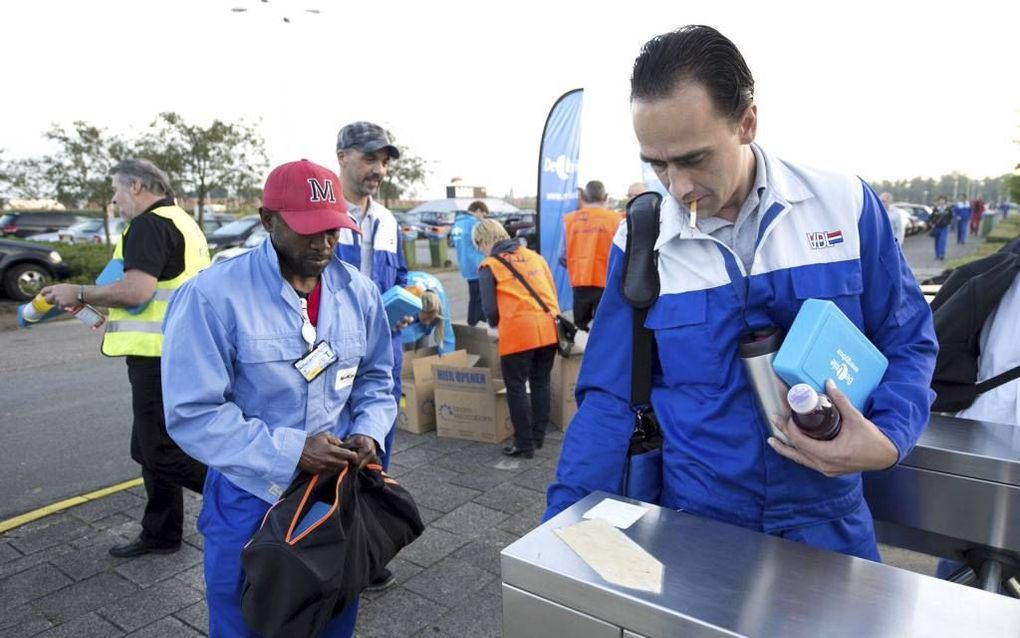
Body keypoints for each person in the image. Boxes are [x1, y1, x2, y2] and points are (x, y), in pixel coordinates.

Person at [545, 25, 937, 561]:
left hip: (828, 518)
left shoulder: (842, 206)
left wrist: (890, 435)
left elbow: (907, 337)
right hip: (698, 524)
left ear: (747, 122)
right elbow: (609, 397)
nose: (677, 186)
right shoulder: (641, 238)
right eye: (657, 164)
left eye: (694, 159)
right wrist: (563, 532)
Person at [162, 160, 396, 637]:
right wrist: (293, 450)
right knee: (248, 619)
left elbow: (377, 379)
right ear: (267, 219)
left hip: (332, 496)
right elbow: (193, 412)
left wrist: (369, 430)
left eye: (333, 228)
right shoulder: (212, 297)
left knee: (333, 608)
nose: (324, 243)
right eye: (308, 230)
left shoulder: (360, 293)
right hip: (252, 496)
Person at [41, 158, 209, 559]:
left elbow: (137, 292)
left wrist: (79, 292)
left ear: (136, 186)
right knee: (150, 447)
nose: (114, 200)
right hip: (178, 352)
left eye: (116, 190)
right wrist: (101, 303)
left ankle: (250, 498)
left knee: (158, 451)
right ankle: (161, 533)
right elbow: (149, 288)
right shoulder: (181, 220)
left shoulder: (148, 224)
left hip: (158, 357)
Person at [334, 121, 409, 593]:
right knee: (334, 453)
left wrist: (410, 301)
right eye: (369, 159)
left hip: (383, 356)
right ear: (342, 156)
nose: (378, 169)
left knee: (376, 452)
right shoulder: (320, 216)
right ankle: (331, 547)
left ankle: (367, 549)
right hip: (333, 357)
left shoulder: (388, 220)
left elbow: (399, 273)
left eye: (383, 161)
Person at [474, 219, 559, 459]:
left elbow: (490, 309)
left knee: (516, 387)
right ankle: (538, 436)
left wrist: (494, 325)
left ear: (483, 241)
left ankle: (524, 444)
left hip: (518, 333)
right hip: (548, 328)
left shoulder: (489, 265)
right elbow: (551, 290)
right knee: (541, 382)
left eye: (478, 245)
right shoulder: (534, 256)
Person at [562, 180, 623, 330]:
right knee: (606, 327)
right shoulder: (616, 219)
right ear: (606, 197)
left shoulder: (569, 220)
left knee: (581, 327)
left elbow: (564, 254)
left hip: (579, 280)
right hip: (607, 280)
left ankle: (585, 351)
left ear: (583, 196)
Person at [451, 200, 489, 326]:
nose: (483, 218)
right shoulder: (474, 224)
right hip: (477, 263)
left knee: (475, 296)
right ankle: (475, 322)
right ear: (478, 210)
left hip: (465, 263)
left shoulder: (458, 224)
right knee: (479, 297)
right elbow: (484, 243)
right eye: (483, 214)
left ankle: (474, 321)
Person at [402, 270, 455, 354]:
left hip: (430, 286)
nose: (427, 323)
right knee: (407, 346)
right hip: (409, 292)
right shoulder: (406, 300)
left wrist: (446, 360)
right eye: (425, 319)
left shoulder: (442, 308)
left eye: (431, 319)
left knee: (423, 348)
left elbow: (447, 338)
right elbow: (398, 334)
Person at [929, 195, 953, 260]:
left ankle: (942, 255)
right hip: (936, 227)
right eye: (940, 200)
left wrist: (949, 223)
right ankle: (937, 255)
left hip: (944, 228)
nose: (941, 202)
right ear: (938, 201)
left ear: (945, 201)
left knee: (942, 241)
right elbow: (931, 218)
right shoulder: (936, 209)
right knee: (936, 241)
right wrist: (932, 223)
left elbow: (951, 217)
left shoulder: (948, 209)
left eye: (943, 200)